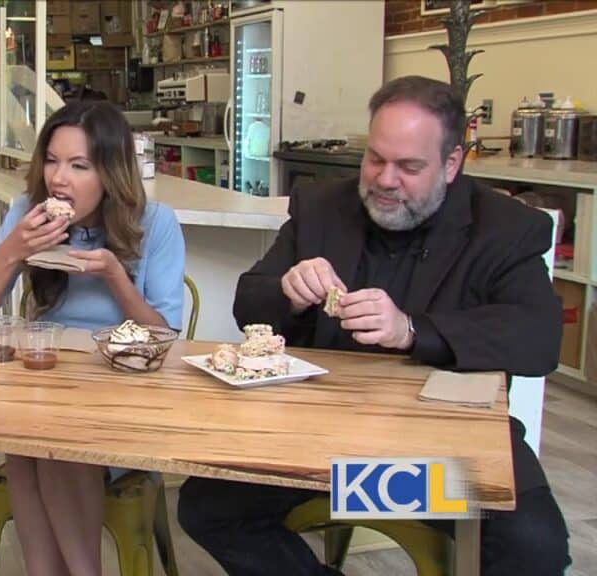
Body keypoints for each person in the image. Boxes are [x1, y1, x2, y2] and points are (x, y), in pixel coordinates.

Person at [177, 76, 571, 576]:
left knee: (533, 547)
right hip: (315, 448)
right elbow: (248, 302)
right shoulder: (320, 207)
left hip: (431, 460)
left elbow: (537, 339)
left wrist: (411, 329)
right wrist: (287, 291)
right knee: (206, 507)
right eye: (375, 160)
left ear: (452, 164)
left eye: (408, 167)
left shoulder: (506, 228)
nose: (385, 180)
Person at [0, 100, 185, 575]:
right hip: (50, 380)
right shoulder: (29, 211)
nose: (59, 179)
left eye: (79, 165)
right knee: (25, 444)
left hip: (125, 389)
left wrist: (115, 276)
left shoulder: (156, 223)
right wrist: (12, 252)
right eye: (52, 161)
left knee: (52, 441)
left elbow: (165, 338)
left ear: (111, 173)